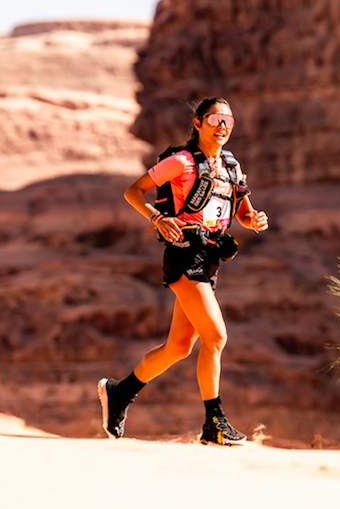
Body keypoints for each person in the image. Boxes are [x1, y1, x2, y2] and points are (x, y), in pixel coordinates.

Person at [99, 97, 269, 445]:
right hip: (184, 254)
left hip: (210, 259)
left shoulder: (231, 168)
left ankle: (119, 392)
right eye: (215, 119)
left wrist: (254, 221)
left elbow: (243, 212)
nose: (223, 126)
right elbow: (134, 192)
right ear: (198, 123)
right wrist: (158, 218)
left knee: (178, 347)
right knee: (217, 337)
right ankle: (214, 423)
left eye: (229, 121)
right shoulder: (181, 161)